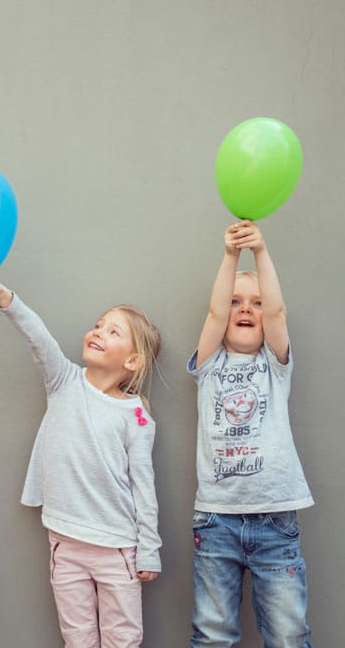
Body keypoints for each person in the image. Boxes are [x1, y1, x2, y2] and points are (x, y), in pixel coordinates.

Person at [0, 277, 161, 648]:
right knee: (77, 638)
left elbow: (144, 486)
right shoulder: (64, 381)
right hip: (65, 541)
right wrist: (6, 298)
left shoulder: (136, 416)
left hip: (118, 547)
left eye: (113, 331)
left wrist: (150, 549)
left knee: (123, 638)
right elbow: (38, 338)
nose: (98, 332)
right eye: (98, 325)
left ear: (132, 360)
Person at [189, 220, 313, 647]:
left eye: (255, 303)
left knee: (288, 634)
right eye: (236, 302)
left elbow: (277, 312)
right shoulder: (207, 364)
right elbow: (213, 312)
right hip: (216, 519)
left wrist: (259, 252)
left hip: (276, 519)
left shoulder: (276, 365)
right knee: (212, 632)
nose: (244, 309)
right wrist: (229, 256)